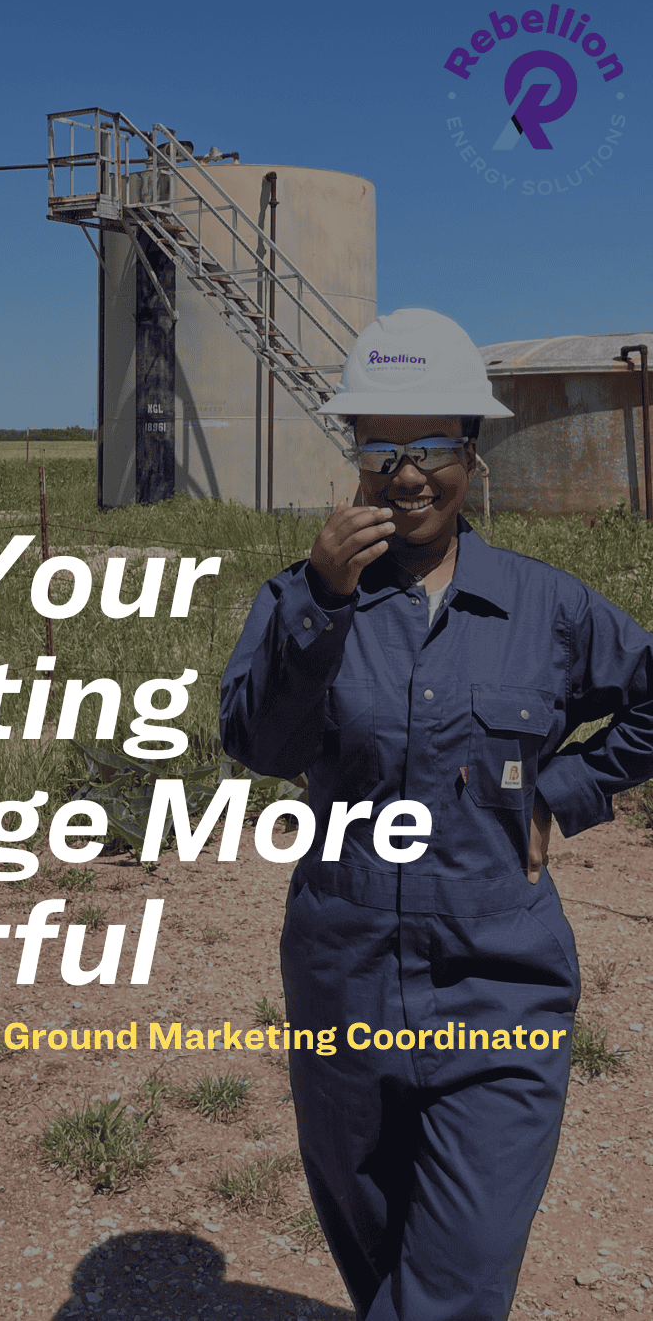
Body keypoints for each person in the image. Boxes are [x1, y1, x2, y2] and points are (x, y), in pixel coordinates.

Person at [219, 307, 653, 1321]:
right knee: (379, 1266)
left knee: (455, 1286)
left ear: (473, 447)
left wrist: (565, 799)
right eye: (380, 445)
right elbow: (262, 746)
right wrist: (324, 603)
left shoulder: (548, 607)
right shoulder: (300, 600)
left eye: (430, 446)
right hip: (342, 983)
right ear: (356, 453)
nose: (405, 473)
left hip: (498, 991)